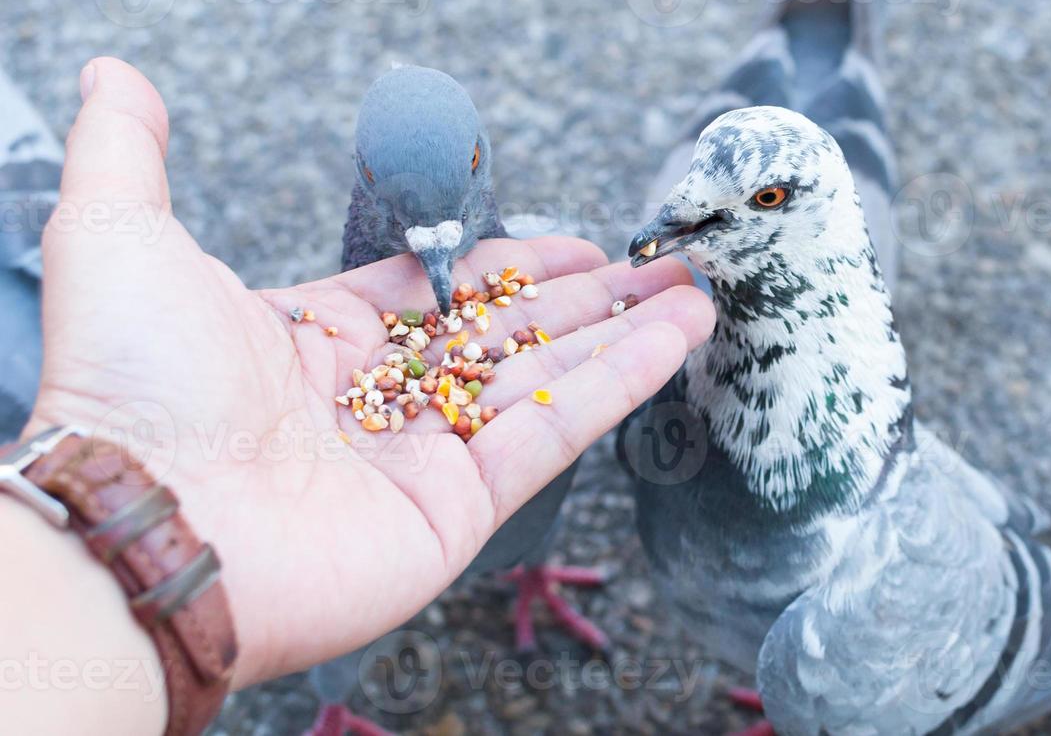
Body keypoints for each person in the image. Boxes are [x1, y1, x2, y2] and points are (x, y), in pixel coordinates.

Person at [0, 59, 716, 734]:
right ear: (363, 177)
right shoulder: (317, 351)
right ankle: (334, 709)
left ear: (482, 157)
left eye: (468, 168)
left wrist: (94, 575)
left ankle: (529, 571)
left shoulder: (532, 298)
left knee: (547, 427)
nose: (438, 260)